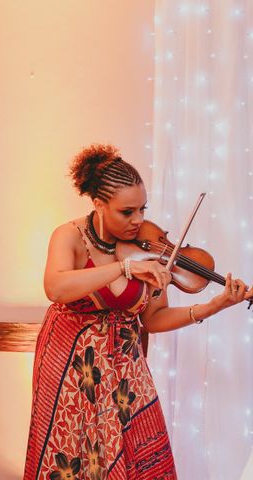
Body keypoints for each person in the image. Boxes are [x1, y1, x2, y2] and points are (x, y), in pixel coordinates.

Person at [23, 144, 253, 480]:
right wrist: (124, 268)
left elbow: (153, 320)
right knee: (73, 456)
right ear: (99, 204)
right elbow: (56, 287)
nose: (139, 221)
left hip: (126, 368)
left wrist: (214, 305)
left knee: (138, 457)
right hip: (73, 368)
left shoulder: (149, 245)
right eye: (126, 212)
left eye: (142, 209)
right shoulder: (69, 236)